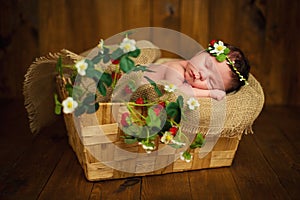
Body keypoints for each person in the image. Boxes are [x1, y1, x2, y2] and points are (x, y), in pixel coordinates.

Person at [144, 40, 250, 100]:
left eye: (211, 82)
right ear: (200, 53)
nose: (202, 74)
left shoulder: (187, 73)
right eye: (207, 65)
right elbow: (176, 92)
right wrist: (209, 93)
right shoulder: (175, 69)